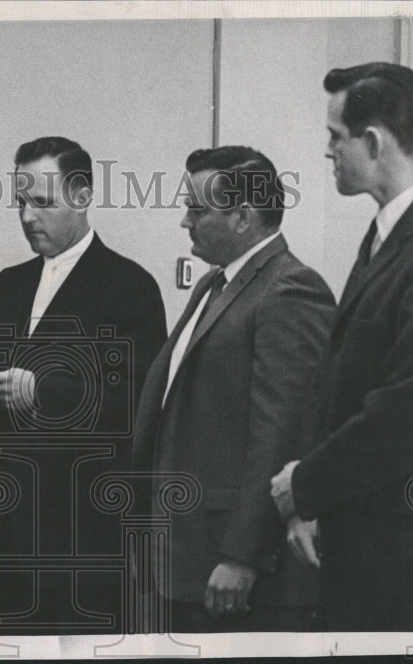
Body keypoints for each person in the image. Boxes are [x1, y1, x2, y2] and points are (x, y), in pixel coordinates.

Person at [270, 62, 413, 631]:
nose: (328, 152)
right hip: (378, 546)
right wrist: (314, 499)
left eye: (335, 137)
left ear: (373, 142)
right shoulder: (394, 233)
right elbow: (343, 382)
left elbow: (407, 415)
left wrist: (304, 486)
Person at [0, 137, 167, 635]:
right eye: (20, 202)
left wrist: (40, 390)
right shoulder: (6, 286)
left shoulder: (131, 286)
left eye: (41, 202)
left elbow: (138, 399)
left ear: (82, 198)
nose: (25, 217)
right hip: (9, 530)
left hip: (88, 532)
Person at [130, 146, 334, 632]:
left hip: (234, 570)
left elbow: (282, 433)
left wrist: (242, 555)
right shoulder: (211, 287)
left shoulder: (290, 289)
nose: (185, 222)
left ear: (243, 217)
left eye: (197, 210)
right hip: (184, 557)